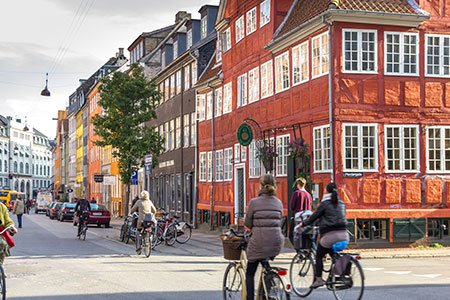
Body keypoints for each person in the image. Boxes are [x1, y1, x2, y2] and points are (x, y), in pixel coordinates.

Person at [244, 174, 284, 300]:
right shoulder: (278, 203)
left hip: (259, 242)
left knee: (250, 273)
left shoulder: (254, 202)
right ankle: (269, 292)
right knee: (265, 260)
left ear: (260, 185)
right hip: (276, 243)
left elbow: (247, 223)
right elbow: (280, 221)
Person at [301, 182, 348, 288]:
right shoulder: (341, 203)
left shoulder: (325, 203)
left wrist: (303, 224)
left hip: (330, 235)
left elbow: (314, 216)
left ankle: (318, 280)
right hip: (344, 235)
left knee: (319, 255)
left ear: (326, 191)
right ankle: (338, 273)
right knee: (333, 253)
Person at [289, 177, 312, 244]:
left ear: (298, 184)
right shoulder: (308, 195)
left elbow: (292, 206)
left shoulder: (296, 193)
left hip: (297, 217)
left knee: (292, 235)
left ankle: (298, 250)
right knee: (304, 235)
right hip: (306, 218)